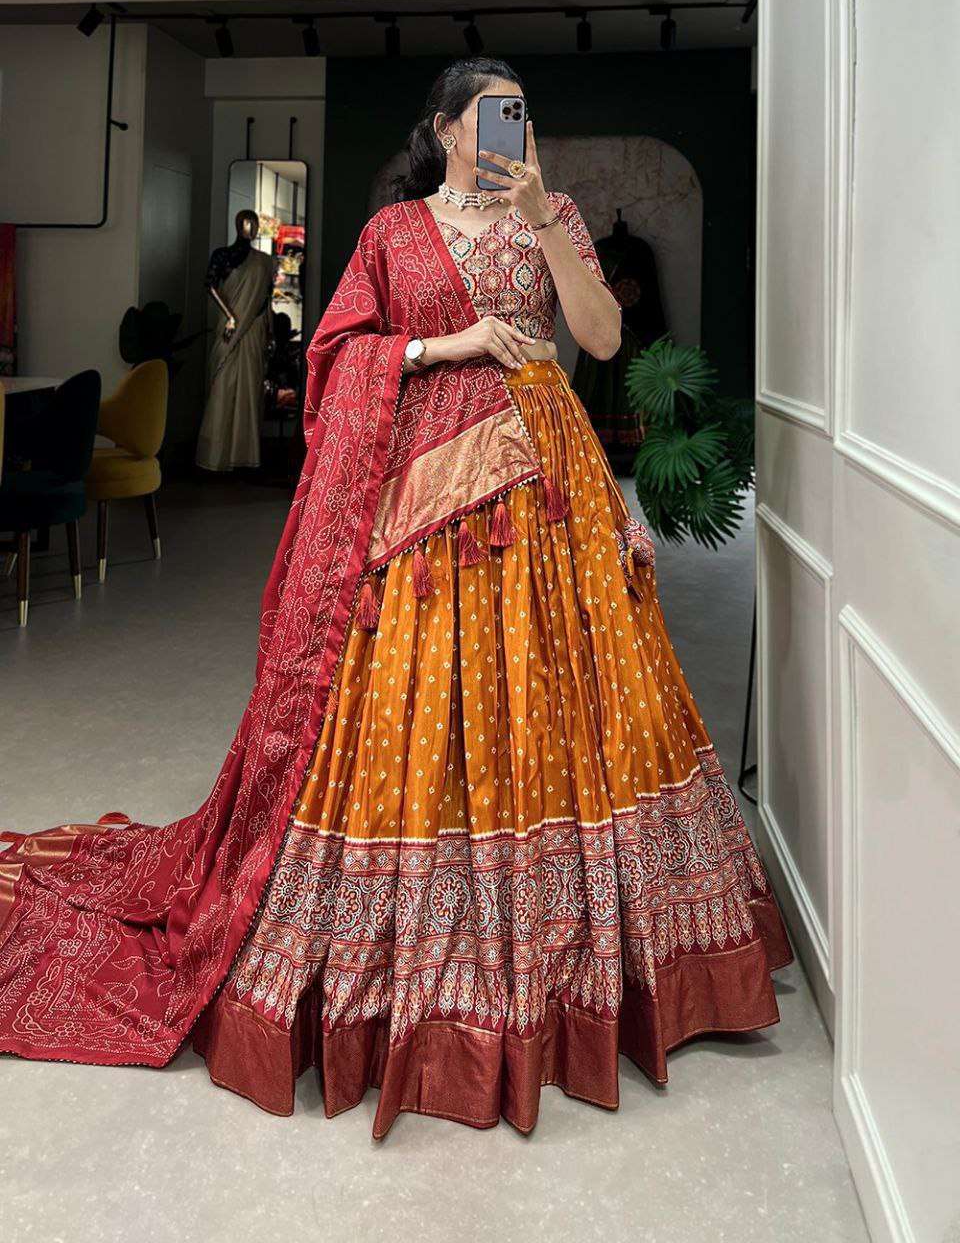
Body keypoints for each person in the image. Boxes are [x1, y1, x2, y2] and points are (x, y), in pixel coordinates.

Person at [0, 58, 790, 1138]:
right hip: (420, 494)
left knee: (564, 695)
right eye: (495, 113)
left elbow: (603, 339)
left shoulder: (554, 213)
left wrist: (542, 219)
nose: (515, 126)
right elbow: (335, 357)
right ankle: (411, 953)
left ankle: (583, 955)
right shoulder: (393, 233)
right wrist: (444, 344)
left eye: (524, 112)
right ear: (448, 128)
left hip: (546, 486)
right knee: (415, 703)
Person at [195, 208, 273, 472]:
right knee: (222, 386)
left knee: (250, 389)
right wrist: (230, 317)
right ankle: (215, 456)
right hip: (230, 329)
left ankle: (245, 455)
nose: (251, 227)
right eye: (246, 223)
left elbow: (266, 299)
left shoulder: (263, 262)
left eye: (254, 223)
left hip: (254, 330)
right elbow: (210, 286)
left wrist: (269, 332)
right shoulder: (222, 255)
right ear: (238, 225)